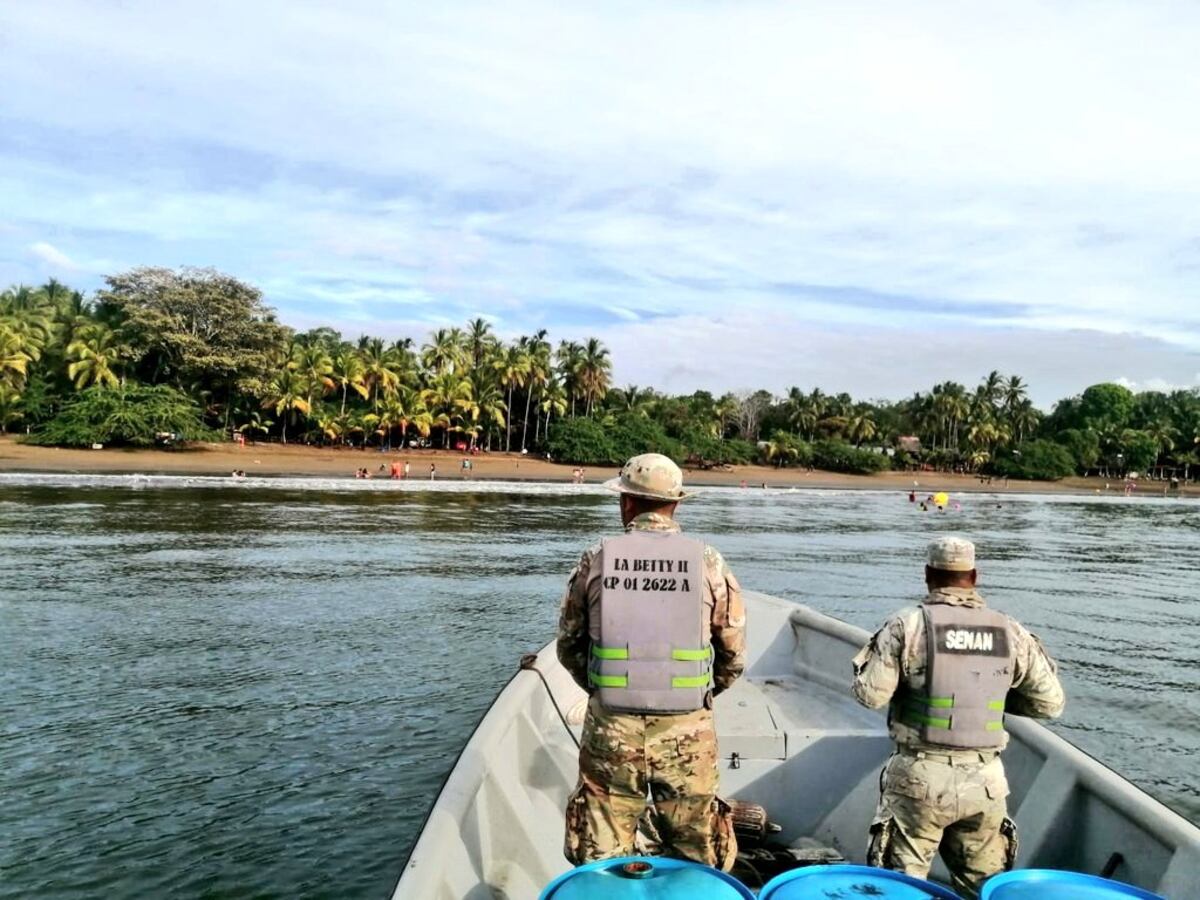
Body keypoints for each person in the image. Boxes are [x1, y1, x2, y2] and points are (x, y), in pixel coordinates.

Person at [556, 453, 746, 870]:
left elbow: (569, 645)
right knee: (697, 851)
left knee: (603, 856)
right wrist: (700, 693)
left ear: (626, 502)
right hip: (687, 731)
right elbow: (732, 654)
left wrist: (602, 688)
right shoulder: (709, 562)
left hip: (612, 729)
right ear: (675, 503)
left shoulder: (596, 558)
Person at [851, 537, 1065, 898]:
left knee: (902, 888)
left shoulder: (907, 625)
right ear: (974, 576)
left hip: (919, 779)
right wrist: (988, 699)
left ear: (928, 575)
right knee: (981, 890)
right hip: (986, 782)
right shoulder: (1010, 630)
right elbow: (1049, 704)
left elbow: (870, 695)